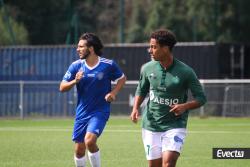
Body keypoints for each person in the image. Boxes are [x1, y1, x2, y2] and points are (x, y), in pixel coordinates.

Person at [130, 29, 206, 167]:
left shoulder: (186, 72)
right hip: (151, 124)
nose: (150, 50)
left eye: (154, 47)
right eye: (150, 46)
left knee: (168, 163)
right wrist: (135, 108)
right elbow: (141, 89)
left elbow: (201, 98)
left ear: (165, 48)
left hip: (175, 125)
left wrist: (185, 106)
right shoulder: (147, 68)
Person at [60, 32, 126, 167]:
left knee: (89, 141)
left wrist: (113, 93)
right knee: (79, 151)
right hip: (82, 113)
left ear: (90, 48)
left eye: (81, 46)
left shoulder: (108, 65)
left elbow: (122, 78)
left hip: (100, 112)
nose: (77, 49)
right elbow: (62, 87)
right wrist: (75, 81)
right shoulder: (76, 66)